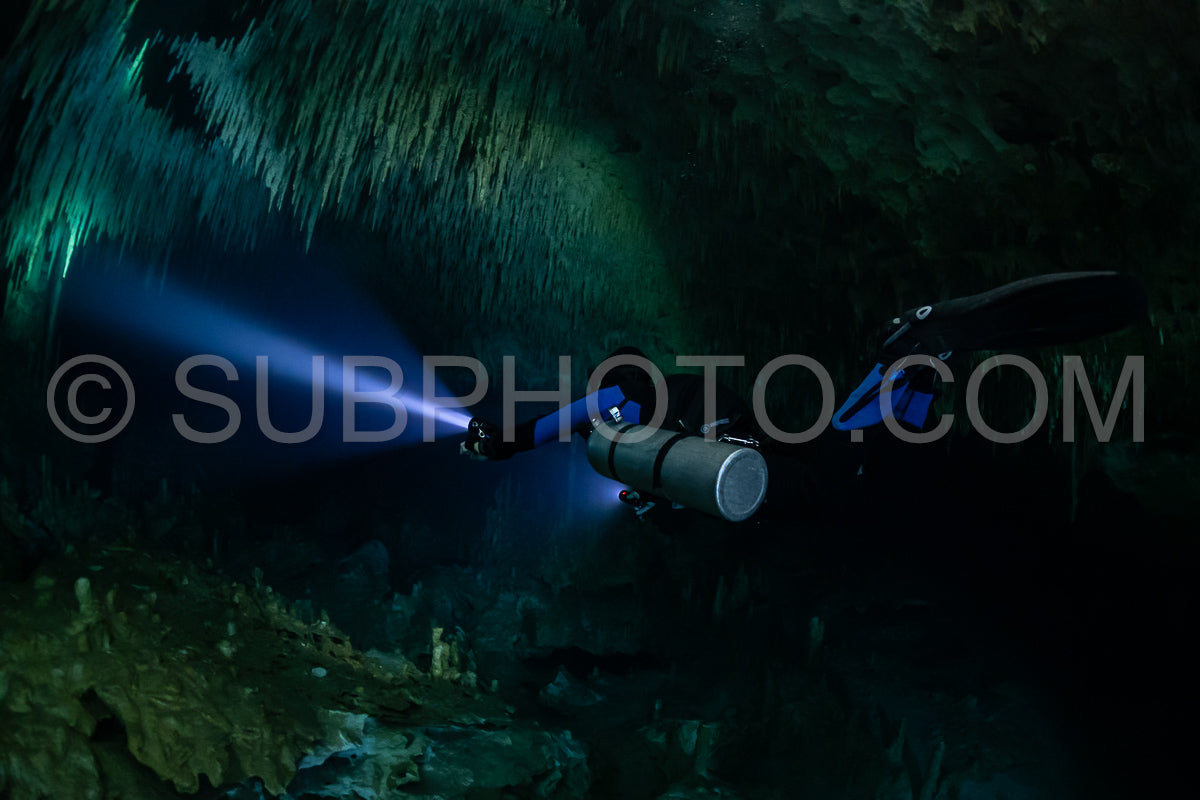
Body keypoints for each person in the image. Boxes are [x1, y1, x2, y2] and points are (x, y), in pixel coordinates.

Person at [460, 271, 1146, 515]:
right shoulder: (635, 420)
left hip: (732, 434)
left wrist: (508, 443)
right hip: (737, 428)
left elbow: (584, 412)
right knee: (854, 470)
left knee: (839, 470)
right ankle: (922, 366)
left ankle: (907, 350)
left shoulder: (624, 397)